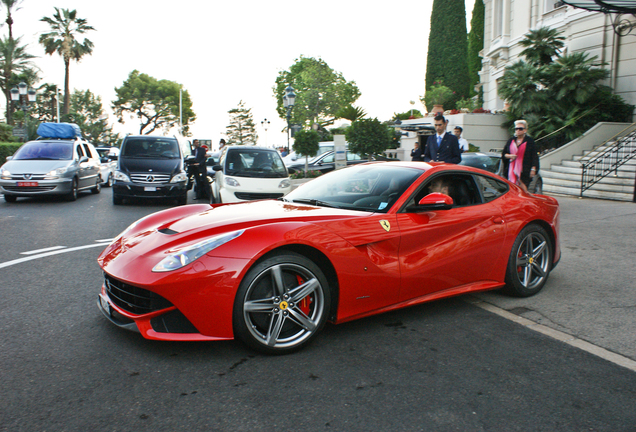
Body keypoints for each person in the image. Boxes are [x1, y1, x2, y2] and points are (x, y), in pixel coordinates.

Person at [501, 120, 539, 193]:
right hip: (511, 170)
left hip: (524, 170)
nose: (518, 130)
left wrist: (533, 169)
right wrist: (510, 156)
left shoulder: (530, 141)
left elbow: (534, 156)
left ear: (525, 130)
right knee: (512, 190)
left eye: (520, 128)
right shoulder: (511, 140)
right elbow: (504, 154)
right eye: (516, 129)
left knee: (523, 190)